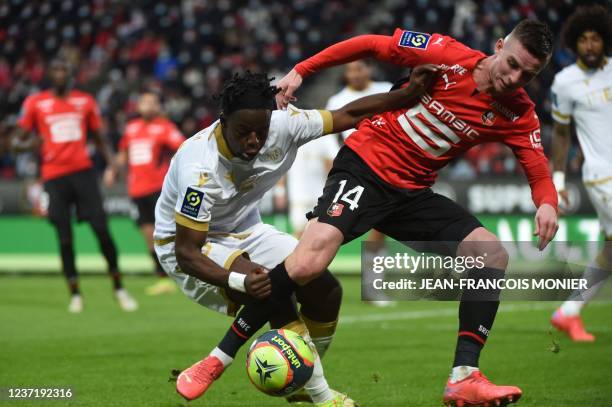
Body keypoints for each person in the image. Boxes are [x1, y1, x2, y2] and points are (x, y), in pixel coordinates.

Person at [216, 20, 559, 407]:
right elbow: (370, 43)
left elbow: (537, 167)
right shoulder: (445, 54)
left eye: (527, 75)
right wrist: (301, 71)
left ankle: (464, 376)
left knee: (491, 254)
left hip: (412, 193)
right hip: (365, 164)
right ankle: (218, 357)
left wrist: (547, 202)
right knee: (308, 263)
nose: (514, 78)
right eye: (511, 63)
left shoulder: (518, 113)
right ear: (499, 46)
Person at [153, 68, 438, 404]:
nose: (253, 142)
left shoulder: (284, 125)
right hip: (188, 246)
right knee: (274, 290)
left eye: (260, 131)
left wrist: (407, 95)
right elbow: (188, 252)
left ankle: (289, 375)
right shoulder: (198, 168)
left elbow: (350, 114)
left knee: (326, 289)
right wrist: (238, 281)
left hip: (247, 229)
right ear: (223, 120)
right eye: (244, 132)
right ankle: (321, 396)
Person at [13, 59, 137, 313]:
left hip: (83, 174)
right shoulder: (36, 103)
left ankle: (119, 286)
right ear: (49, 75)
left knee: (102, 230)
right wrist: (34, 144)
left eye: (63, 70)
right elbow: (17, 140)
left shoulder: (85, 101)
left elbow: (98, 136)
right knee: (65, 238)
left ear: (70, 75)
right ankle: (75, 293)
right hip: (54, 177)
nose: (59, 74)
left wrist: (113, 163)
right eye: (55, 70)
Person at [550, 4, 612, 342]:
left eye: (596, 39)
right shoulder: (565, 82)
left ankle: (568, 312)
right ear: (575, 43)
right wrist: (557, 182)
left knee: (610, 252)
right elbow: (561, 134)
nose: (590, 45)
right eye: (584, 40)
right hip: (602, 176)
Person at [323, 60, 395, 307]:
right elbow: (334, 141)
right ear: (345, 74)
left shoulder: (387, 89)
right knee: (330, 230)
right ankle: (314, 284)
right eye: (350, 70)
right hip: (354, 173)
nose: (355, 73)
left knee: (379, 231)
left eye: (360, 68)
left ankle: (373, 287)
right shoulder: (336, 101)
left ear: (370, 69)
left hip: (388, 170)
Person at [104, 91, 185, 295]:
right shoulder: (131, 129)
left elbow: (184, 148)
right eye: (144, 102)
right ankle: (162, 277)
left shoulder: (165, 127)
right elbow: (124, 154)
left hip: (159, 189)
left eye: (151, 102)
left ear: (158, 106)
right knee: (148, 234)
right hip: (137, 189)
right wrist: (112, 170)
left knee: (166, 232)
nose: (147, 106)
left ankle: (184, 272)